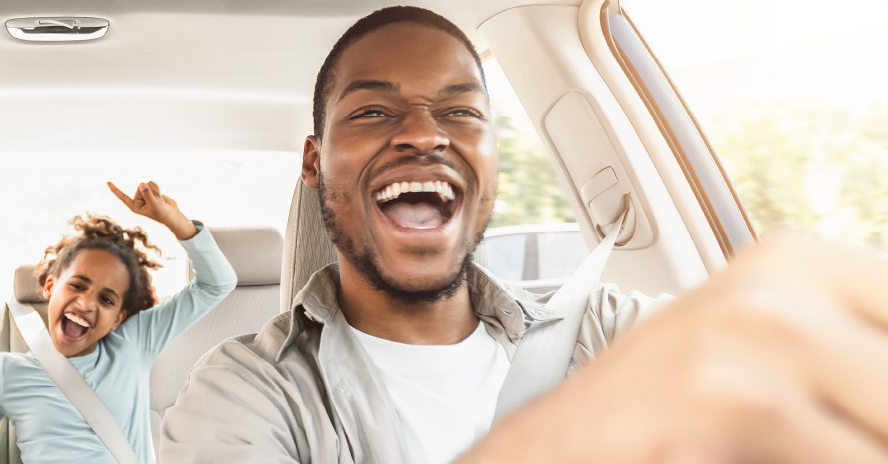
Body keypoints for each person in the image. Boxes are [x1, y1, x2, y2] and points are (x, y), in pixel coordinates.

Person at [159, 6, 888, 464]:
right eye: (374, 113)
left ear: (491, 159)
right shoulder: (245, 392)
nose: (422, 133)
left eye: (462, 112)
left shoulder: (603, 332)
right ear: (315, 164)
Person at [0, 181, 237, 463]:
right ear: (49, 286)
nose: (86, 303)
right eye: (77, 285)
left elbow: (217, 283)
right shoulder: (10, 373)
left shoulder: (133, 343)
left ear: (119, 319)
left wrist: (174, 221)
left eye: (106, 299)